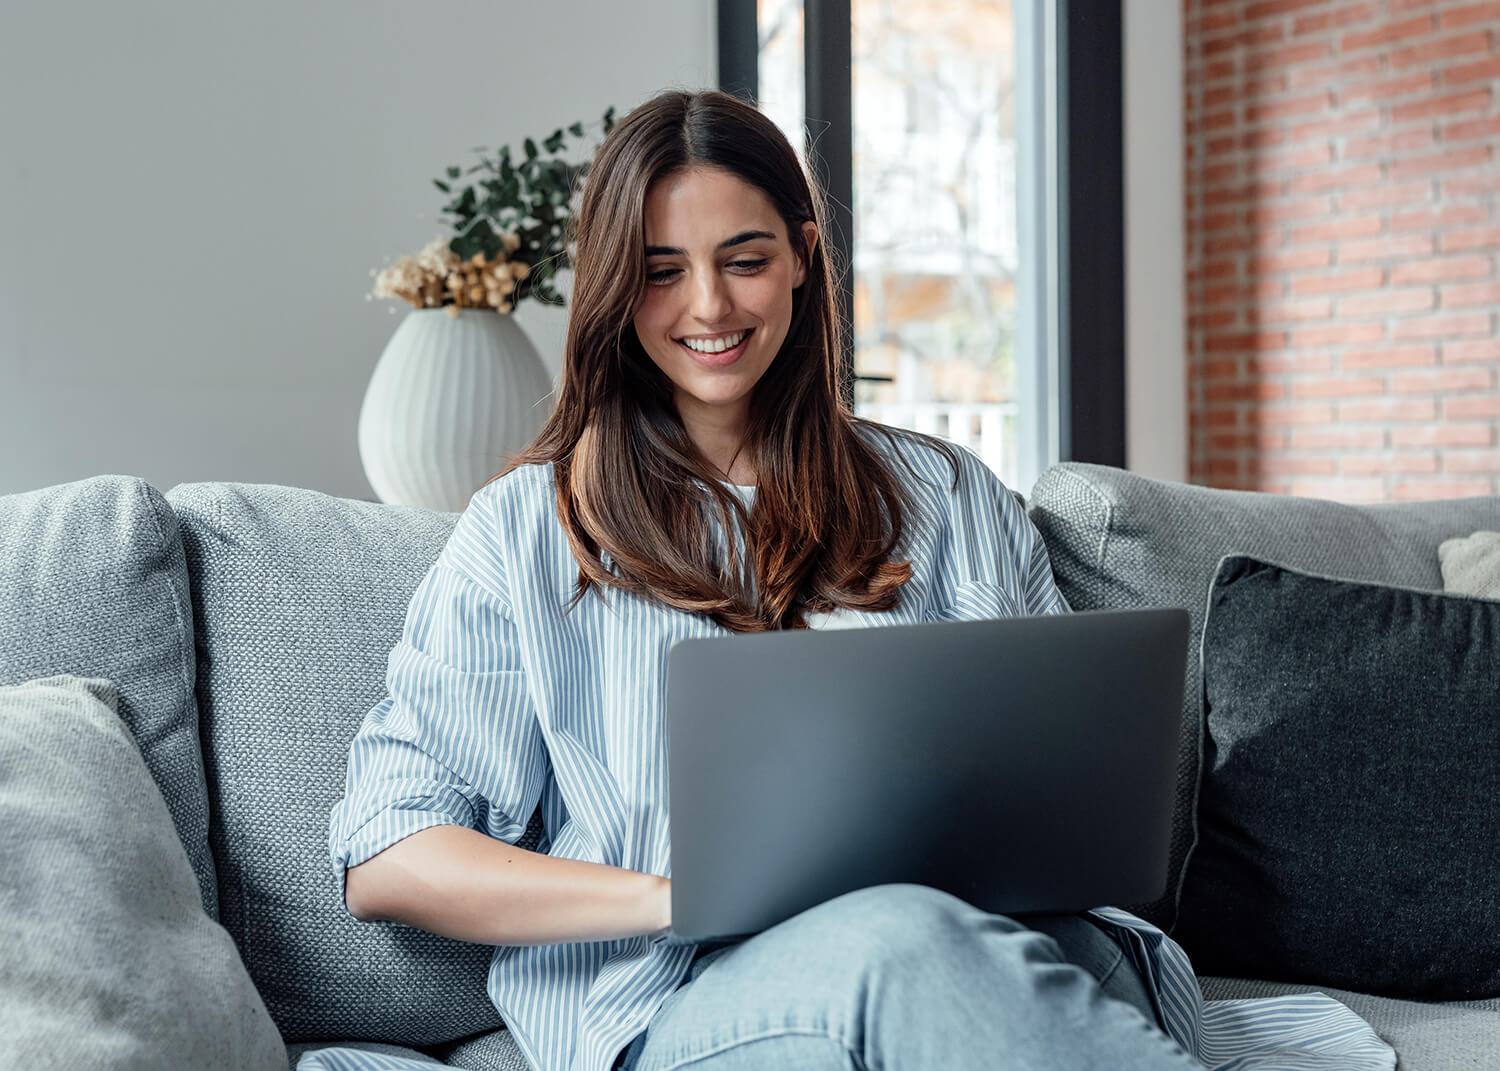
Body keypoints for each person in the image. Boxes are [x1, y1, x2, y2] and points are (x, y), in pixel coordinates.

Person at [298, 90, 1394, 1071]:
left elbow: (1064, 788)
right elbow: (392, 856)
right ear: (612, 285)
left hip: (1007, 946)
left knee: (977, 943)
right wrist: (678, 899)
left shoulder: (947, 494)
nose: (710, 309)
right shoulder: (528, 531)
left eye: (745, 257)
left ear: (803, 255)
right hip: (689, 999)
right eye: (661, 270)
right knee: (899, 942)